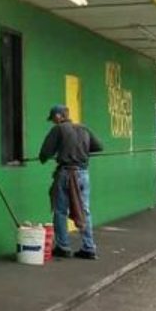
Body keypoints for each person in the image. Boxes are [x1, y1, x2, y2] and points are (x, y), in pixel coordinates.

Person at [38, 104, 103, 260]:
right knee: (85, 210)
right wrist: (81, 150)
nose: (53, 121)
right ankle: (88, 248)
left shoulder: (58, 129)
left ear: (59, 116)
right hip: (83, 174)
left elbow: (45, 153)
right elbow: (98, 147)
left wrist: (45, 158)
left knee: (60, 210)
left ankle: (63, 246)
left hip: (66, 173)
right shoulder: (84, 128)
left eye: (53, 118)